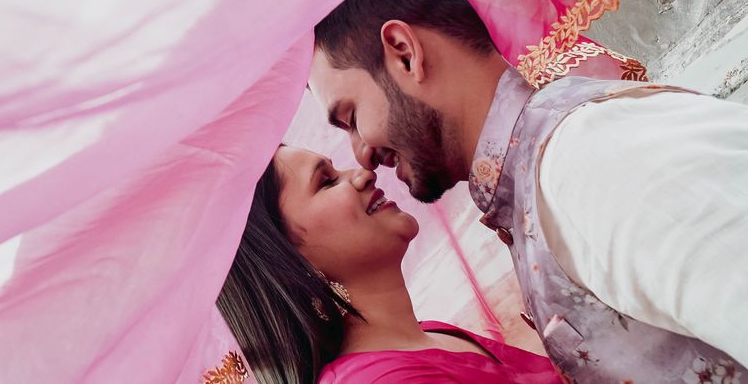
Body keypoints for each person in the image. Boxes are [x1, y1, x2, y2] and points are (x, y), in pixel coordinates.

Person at [306, 0, 748, 382]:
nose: (361, 155)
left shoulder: (588, 158)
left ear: (405, 53)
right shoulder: (546, 179)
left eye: (350, 118)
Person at [217, 145, 562, 384]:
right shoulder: (379, 378)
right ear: (286, 260)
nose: (362, 174)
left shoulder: (434, 334)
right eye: (326, 182)